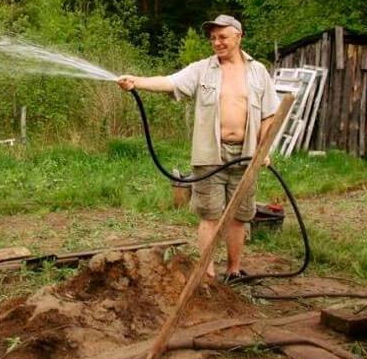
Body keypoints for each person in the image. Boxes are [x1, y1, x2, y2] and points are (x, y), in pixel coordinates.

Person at [116, 15, 280, 281]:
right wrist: (138, 81)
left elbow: (269, 114)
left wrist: (264, 150)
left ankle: (234, 270)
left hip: (247, 155)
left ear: (238, 36)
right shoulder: (202, 69)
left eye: (222, 37)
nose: (217, 42)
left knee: (239, 216)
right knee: (209, 215)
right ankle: (207, 276)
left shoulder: (258, 71)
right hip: (210, 155)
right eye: (213, 38)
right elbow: (170, 82)